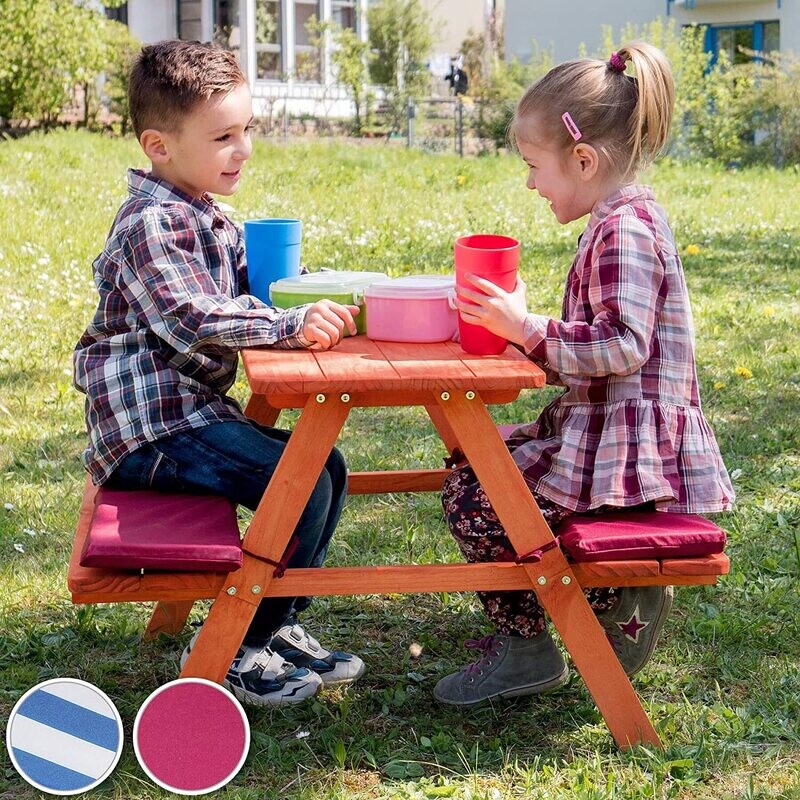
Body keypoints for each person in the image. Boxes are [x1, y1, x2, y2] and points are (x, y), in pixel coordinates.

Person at [436, 43, 735, 706]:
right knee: (476, 460)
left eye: (533, 166)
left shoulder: (623, 230)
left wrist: (527, 329)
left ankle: (555, 634)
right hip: (605, 433)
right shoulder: (622, 220)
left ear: (582, 160)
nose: (530, 183)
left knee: (474, 499)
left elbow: (623, 344)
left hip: (624, 456)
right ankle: (594, 603)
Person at [73, 40, 365, 707]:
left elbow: (241, 292)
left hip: (186, 415)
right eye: (225, 136)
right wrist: (288, 326)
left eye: (247, 130)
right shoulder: (151, 224)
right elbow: (192, 316)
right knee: (299, 482)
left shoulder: (204, 215)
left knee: (327, 466)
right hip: (150, 432)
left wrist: (297, 292)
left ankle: (277, 621)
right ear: (160, 145)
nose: (245, 149)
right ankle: (238, 647)